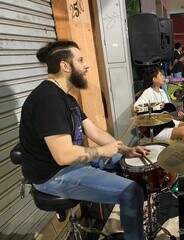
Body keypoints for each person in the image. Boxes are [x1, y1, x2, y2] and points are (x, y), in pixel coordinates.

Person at [19, 40, 150, 240]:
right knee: (131, 192)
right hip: (52, 175)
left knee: (128, 165)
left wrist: (124, 150)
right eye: (80, 60)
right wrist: (101, 151)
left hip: (68, 165)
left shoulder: (67, 99)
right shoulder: (48, 100)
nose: (86, 65)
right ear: (65, 66)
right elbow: (63, 156)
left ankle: (130, 222)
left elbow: (94, 131)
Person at [134, 67, 184, 141]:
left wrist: (177, 113)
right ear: (154, 79)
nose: (163, 77)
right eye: (161, 75)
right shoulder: (148, 93)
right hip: (155, 128)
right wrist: (158, 107)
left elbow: (168, 110)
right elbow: (137, 108)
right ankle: (181, 151)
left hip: (166, 123)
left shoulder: (162, 92)